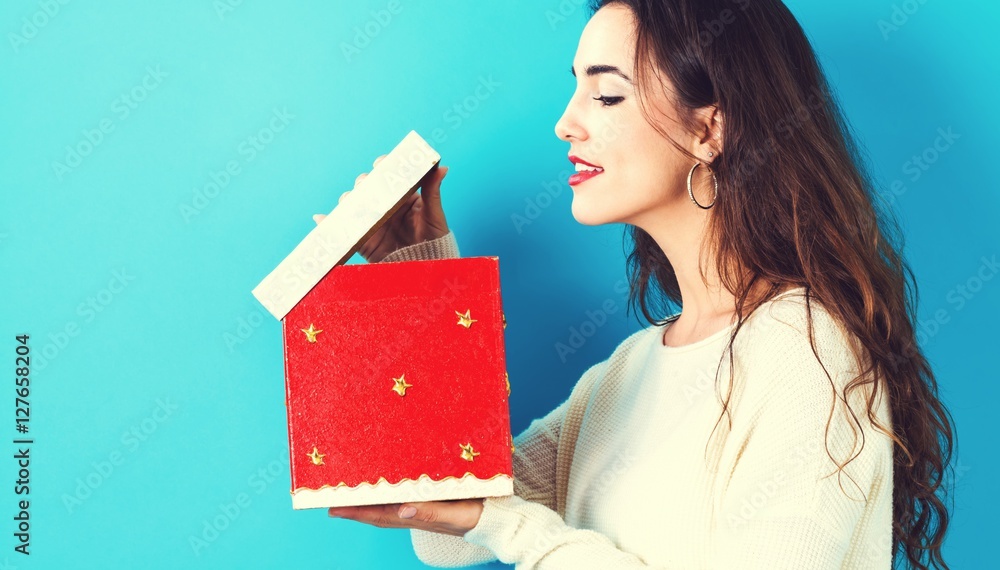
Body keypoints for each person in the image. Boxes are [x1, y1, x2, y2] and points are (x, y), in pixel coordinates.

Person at [315, 1, 955, 568]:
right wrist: (421, 276)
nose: (567, 124)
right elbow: (445, 528)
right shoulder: (626, 372)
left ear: (711, 129)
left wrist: (506, 525)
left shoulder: (804, 350)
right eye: (575, 91)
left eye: (608, 95)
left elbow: (487, 518)